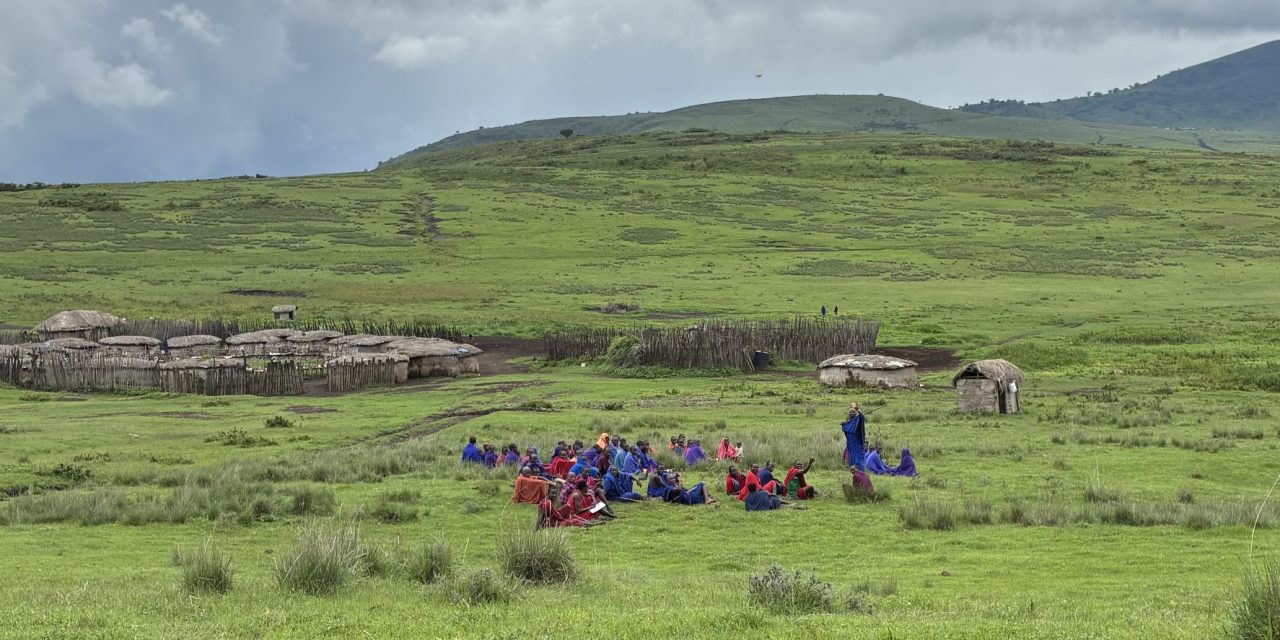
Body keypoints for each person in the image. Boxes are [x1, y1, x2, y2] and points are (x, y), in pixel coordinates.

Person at [842, 403, 867, 472]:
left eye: (853, 412)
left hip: (855, 443)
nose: (852, 414)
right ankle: (854, 469)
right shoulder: (849, 422)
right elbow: (846, 431)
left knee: (857, 456)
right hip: (851, 443)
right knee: (852, 456)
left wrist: (858, 410)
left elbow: (862, 418)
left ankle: (859, 470)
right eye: (851, 413)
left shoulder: (857, 421)